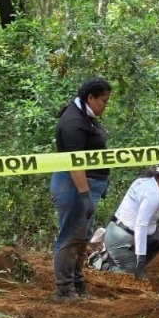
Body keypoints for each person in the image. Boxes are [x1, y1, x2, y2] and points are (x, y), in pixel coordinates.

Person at [50, 78, 113, 301]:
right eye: (104, 101)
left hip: (87, 185)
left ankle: (76, 285)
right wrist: (85, 196)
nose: (105, 105)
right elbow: (75, 163)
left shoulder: (87, 117)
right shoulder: (73, 122)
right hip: (73, 186)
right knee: (71, 238)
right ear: (90, 98)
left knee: (82, 238)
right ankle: (64, 289)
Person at [99, 164, 159, 280]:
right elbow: (141, 225)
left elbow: (142, 201)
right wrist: (141, 259)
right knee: (131, 277)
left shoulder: (143, 181)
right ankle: (101, 264)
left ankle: (127, 262)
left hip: (115, 230)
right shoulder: (153, 194)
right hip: (121, 238)